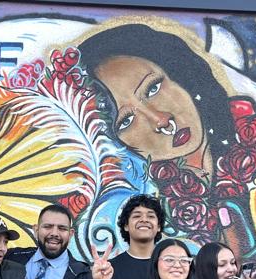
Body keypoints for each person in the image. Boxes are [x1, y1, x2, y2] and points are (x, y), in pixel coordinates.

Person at [78, 24, 235, 174]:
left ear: (181, 77)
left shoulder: (253, 133)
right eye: (126, 121)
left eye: (153, 88)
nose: (161, 121)